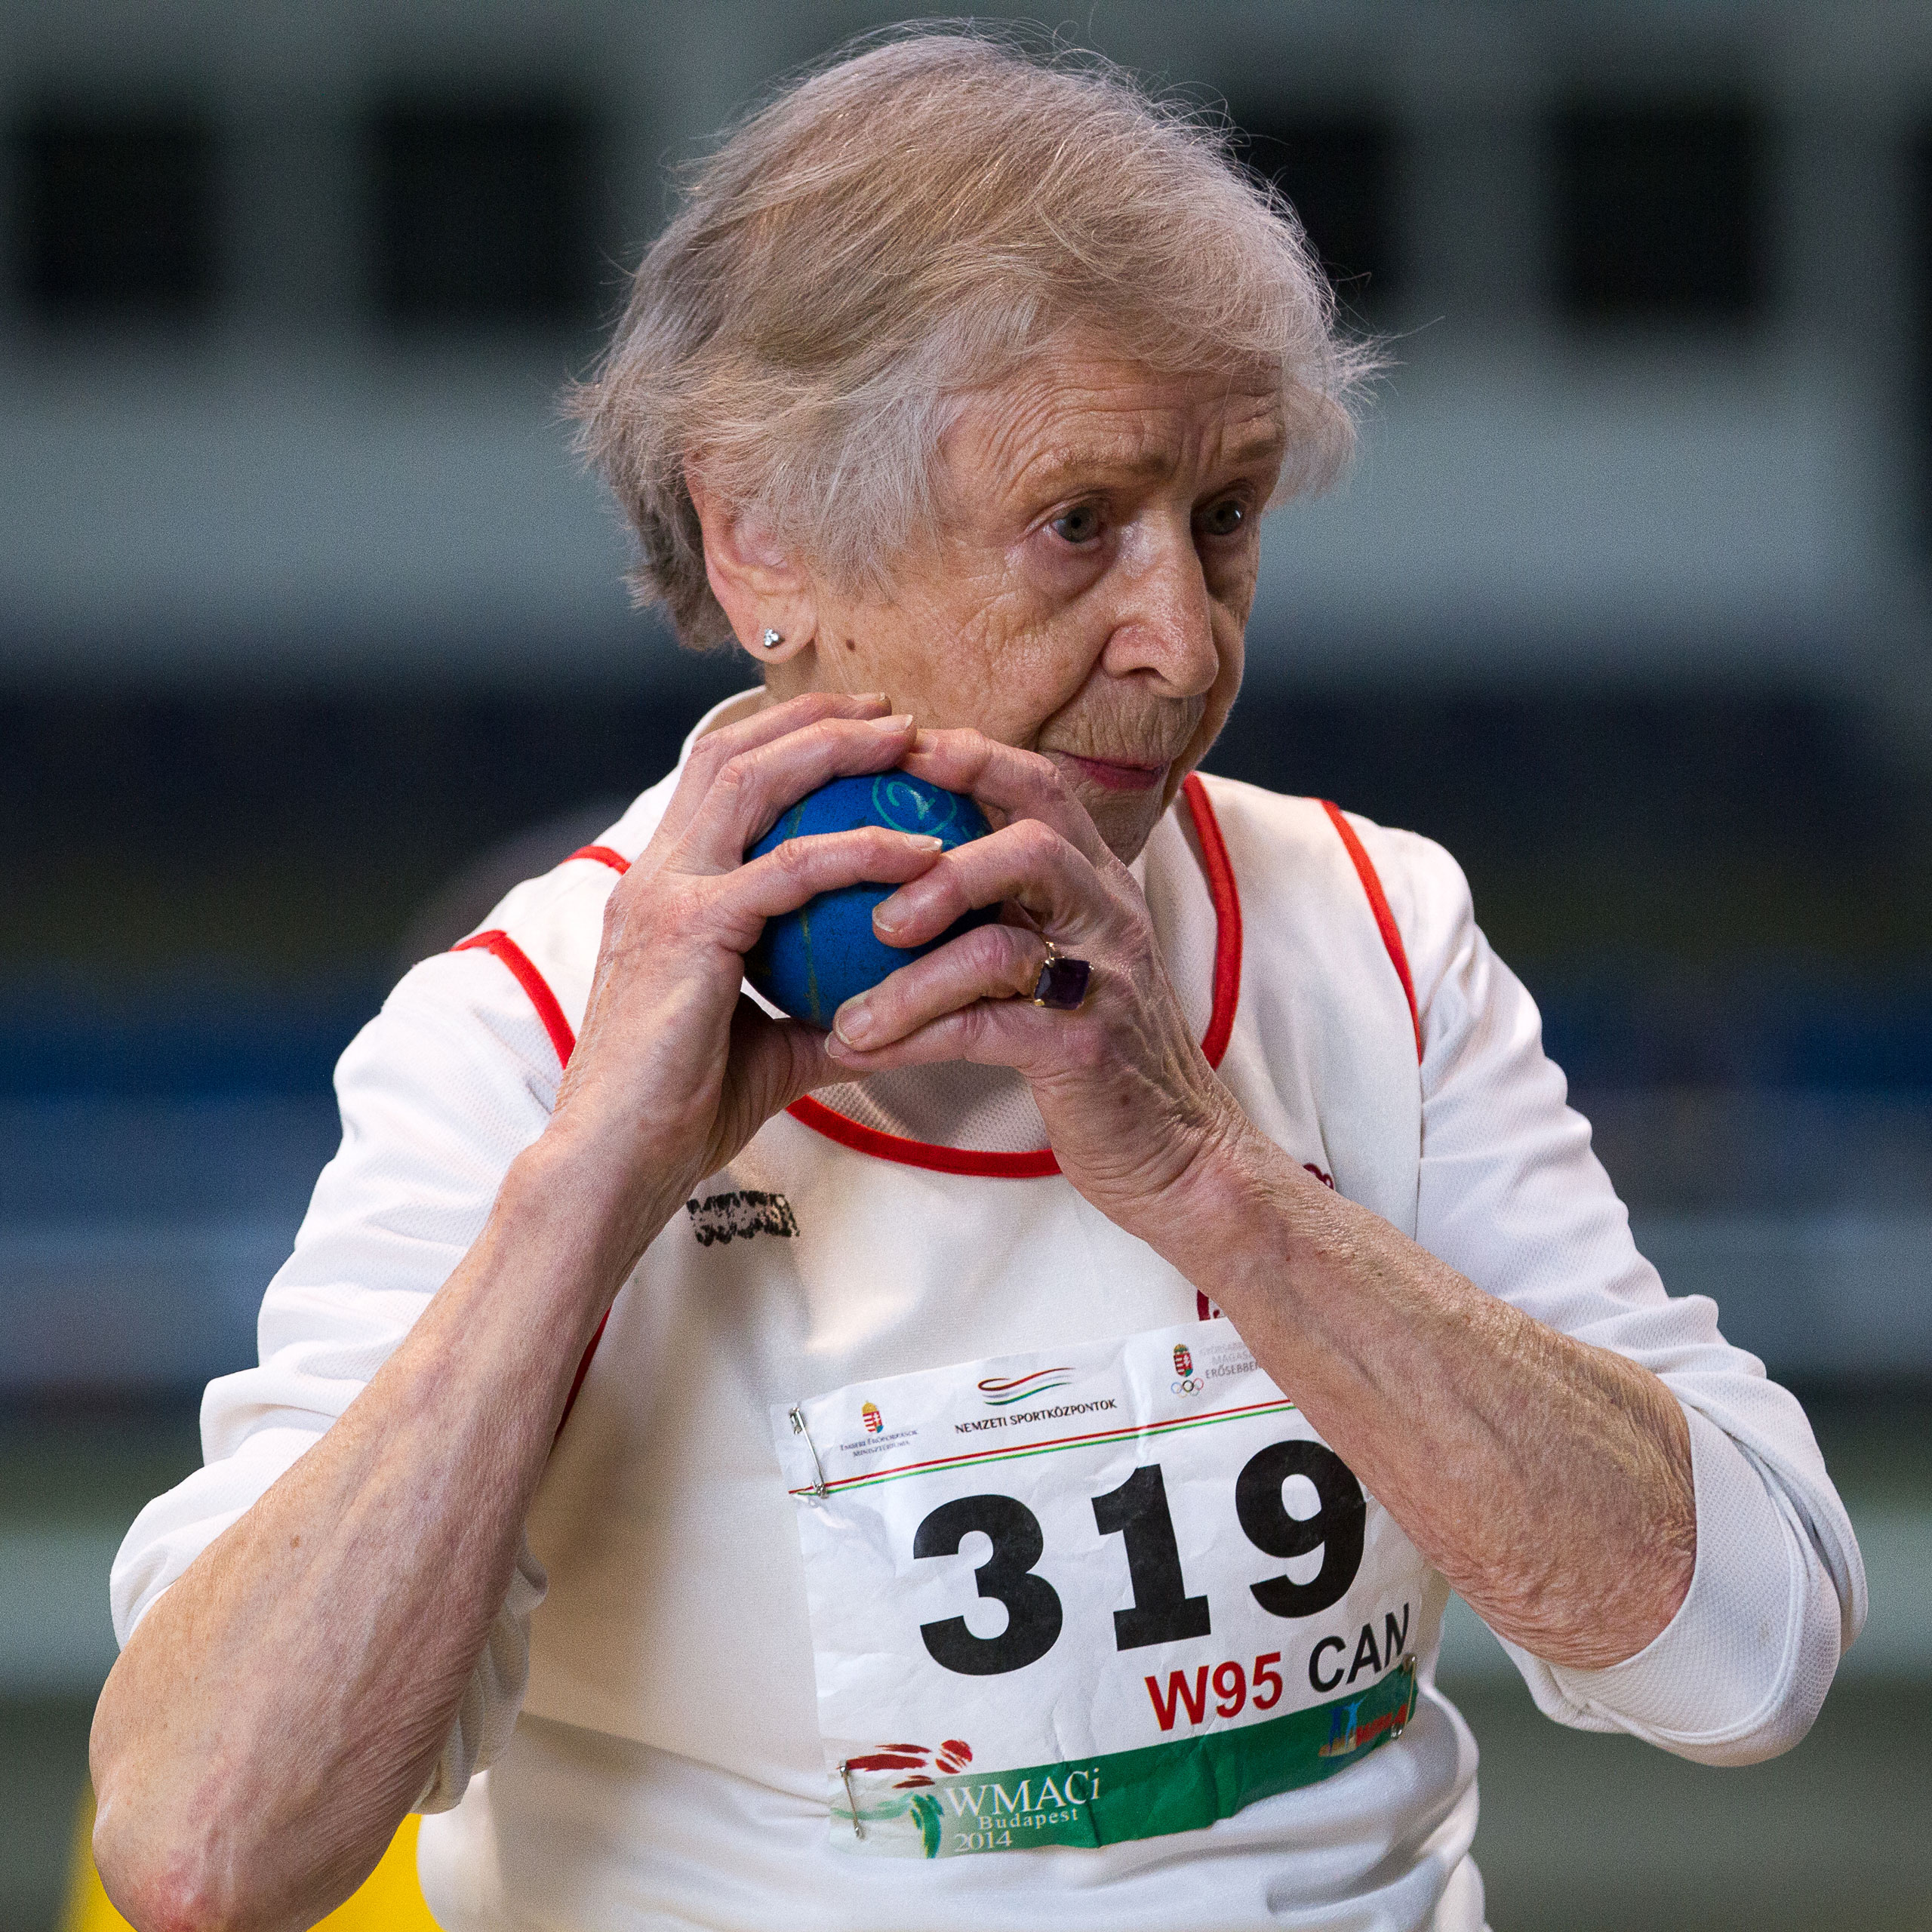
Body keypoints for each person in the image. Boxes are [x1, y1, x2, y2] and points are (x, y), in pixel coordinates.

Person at [91, 30, 1864, 1932]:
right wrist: (586, 1194)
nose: (1177, 645)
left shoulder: (1373, 924)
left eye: (1226, 515)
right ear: (760, 531)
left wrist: (1221, 1189)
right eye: (1076, 522)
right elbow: (204, 1853)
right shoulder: (516, 1035)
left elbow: (1745, 1665)